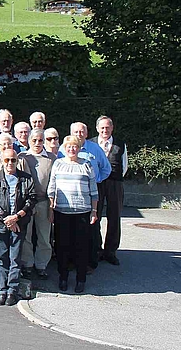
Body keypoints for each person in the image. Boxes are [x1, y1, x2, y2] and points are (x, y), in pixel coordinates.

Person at [0, 148, 37, 306]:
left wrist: (17, 217)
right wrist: (7, 220)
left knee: (15, 258)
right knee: (3, 258)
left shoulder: (26, 179)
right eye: (7, 160)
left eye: (13, 160)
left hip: (19, 224)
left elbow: (31, 199)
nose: (10, 163)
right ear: (2, 161)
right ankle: (2, 290)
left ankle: (12, 291)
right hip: (1, 225)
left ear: (17, 161)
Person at [58, 121, 111, 270]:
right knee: (70, 231)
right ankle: (70, 261)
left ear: (87, 134)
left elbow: (106, 168)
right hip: (68, 199)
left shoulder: (95, 149)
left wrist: (95, 180)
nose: (79, 134)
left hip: (90, 195)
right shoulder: (63, 149)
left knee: (91, 229)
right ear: (70, 133)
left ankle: (90, 262)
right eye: (76, 132)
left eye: (82, 132)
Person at [49, 135, 98, 293]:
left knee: (81, 247)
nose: (72, 149)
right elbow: (51, 188)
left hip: (82, 212)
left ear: (79, 148)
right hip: (62, 212)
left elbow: (94, 191)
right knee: (62, 246)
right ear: (64, 148)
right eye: (69, 146)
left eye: (75, 146)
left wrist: (94, 211)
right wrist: (51, 210)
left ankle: (81, 279)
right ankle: (63, 278)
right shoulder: (58, 163)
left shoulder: (86, 165)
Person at [19, 129, 57, 279]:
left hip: (44, 201)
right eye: (34, 140)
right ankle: (27, 263)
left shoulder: (52, 158)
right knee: (26, 235)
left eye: (40, 140)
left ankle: (42, 265)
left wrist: (52, 205)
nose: (37, 143)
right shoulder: (22, 157)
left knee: (44, 235)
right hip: (27, 202)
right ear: (28, 141)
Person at [92, 116, 127, 266]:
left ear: (112, 128)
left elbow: (125, 166)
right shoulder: (91, 143)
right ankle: (96, 249)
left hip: (115, 183)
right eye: (102, 128)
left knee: (114, 216)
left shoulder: (120, 144)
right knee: (95, 215)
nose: (105, 130)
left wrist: (115, 178)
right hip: (97, 183)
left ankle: (111, 251)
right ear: (97, 128)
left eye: (108, 127)